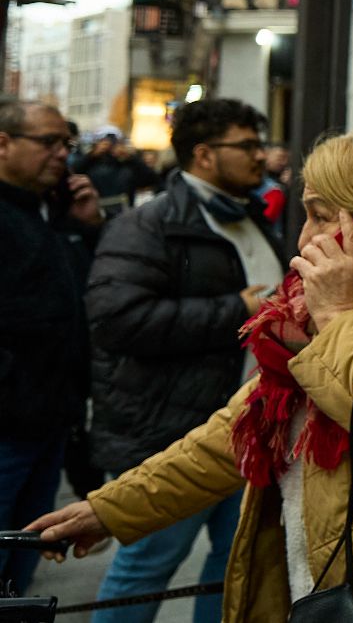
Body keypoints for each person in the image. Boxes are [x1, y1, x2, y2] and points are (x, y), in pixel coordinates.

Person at [29, 126, 353, 620]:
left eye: (321, 217)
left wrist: (341, 317)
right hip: (326, 587)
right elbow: (240, 429)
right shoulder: (351, 291)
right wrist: (111, 511)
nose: (303, 238)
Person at [84, 99, 283, 623]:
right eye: (246, 146)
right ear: (204, 154)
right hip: (170, 432)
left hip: (247, 428)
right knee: (146, 569)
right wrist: (233, 310)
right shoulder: (149, 225)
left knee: (233, 566)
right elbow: (117, 320)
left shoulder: (253, 219)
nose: (260, 157)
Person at [0, 98, 99, 595]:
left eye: (66, 143)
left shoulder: (50, 213)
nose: (61, 153)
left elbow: (75, 305)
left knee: (21, 571)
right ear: (4, 143)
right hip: (10, 424)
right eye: (47, 142)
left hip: (50, 423)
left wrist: (82, 227)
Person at [71, 128, 156, 220]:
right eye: (103, 142)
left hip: (125, 217)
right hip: (95, 216)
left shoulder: (128, 166)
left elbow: (152, 179)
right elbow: (73, 173)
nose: (109, 146)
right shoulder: (89, 165)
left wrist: (129, 157)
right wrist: (92, 155)